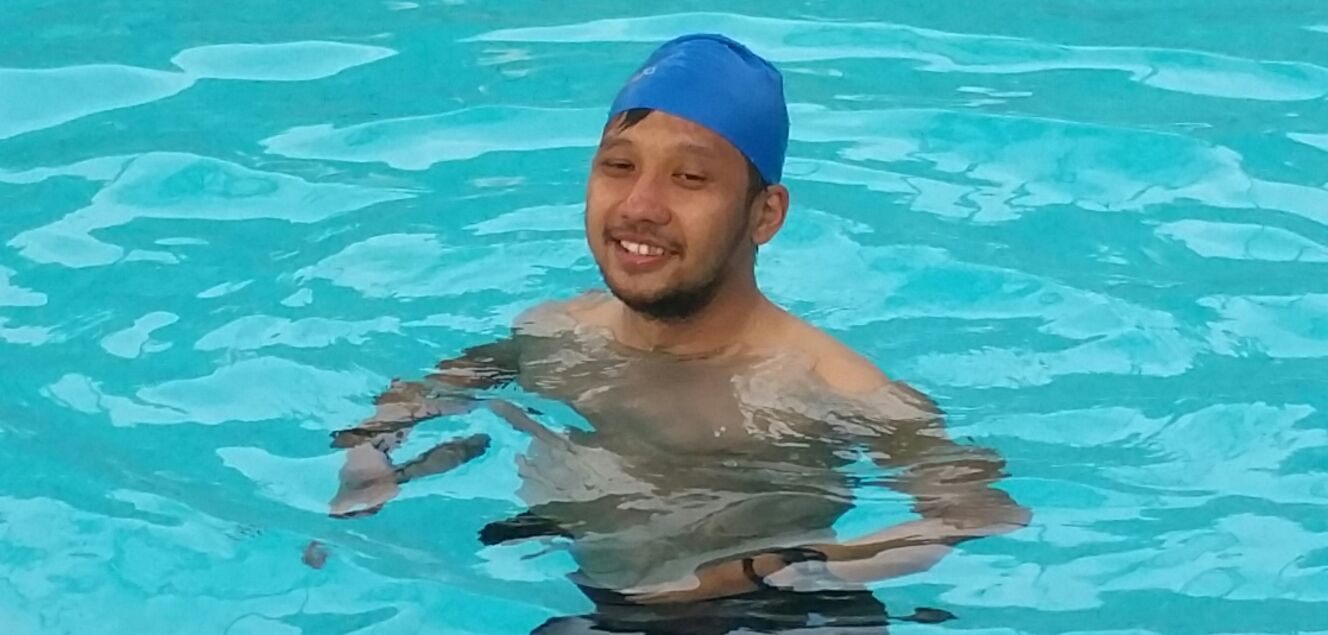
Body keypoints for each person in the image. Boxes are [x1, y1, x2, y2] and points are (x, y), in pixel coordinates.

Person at [328, 34, 1030, 633]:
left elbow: (977, 510)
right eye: (619, 166)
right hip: (597, 603)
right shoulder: (557, 331)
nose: (640, 206)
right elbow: (445, 384)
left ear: (765, 213)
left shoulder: (827, 386)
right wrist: (371, 455)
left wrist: (773, 569)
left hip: (773, 614)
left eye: (690, 177)